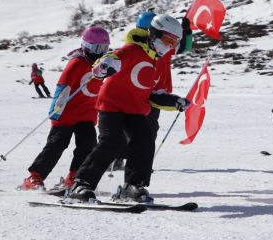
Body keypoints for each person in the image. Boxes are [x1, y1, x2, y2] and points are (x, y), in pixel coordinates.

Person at [66, 14, 190, 202]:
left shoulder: (157, 62)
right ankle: (80, 184)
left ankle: (132, 186)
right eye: (167, 40)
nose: (169, 46)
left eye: (173, 43)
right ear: (154, 34)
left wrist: (175, 102)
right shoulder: (132, 50)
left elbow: (154, 96)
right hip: (112, 106)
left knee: (145, 140)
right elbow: (111, 59)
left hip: (135, 110)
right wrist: (104, 66)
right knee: (112, 142)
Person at [19, 27, 110, 190]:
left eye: (104, 48)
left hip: (87, 114)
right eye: (97, 48)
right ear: (86, 46)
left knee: (88, 146)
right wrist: (56, 112)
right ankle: (34, 176)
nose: (101, 52)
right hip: (66, 113)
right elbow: (63, 87)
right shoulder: (77, 63)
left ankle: (74, 177)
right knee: (56, 144)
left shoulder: (103, 66)